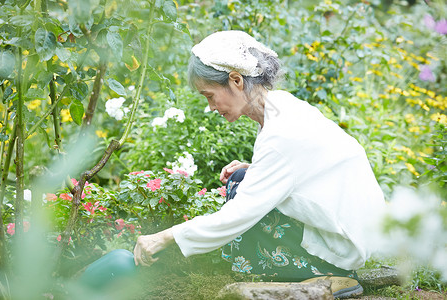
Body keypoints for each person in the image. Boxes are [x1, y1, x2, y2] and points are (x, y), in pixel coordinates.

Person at [133, 30, 386, 298]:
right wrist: (255, 170)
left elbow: (240, 215)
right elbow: (309, 169)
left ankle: (326, 272)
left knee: (242, 209)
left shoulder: (281, 134)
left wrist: (163, 237)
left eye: (209, 95)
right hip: (350, 229)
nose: (210, 106)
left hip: (343, 246)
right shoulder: (281, 106)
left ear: (236, 80)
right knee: (241, 180)